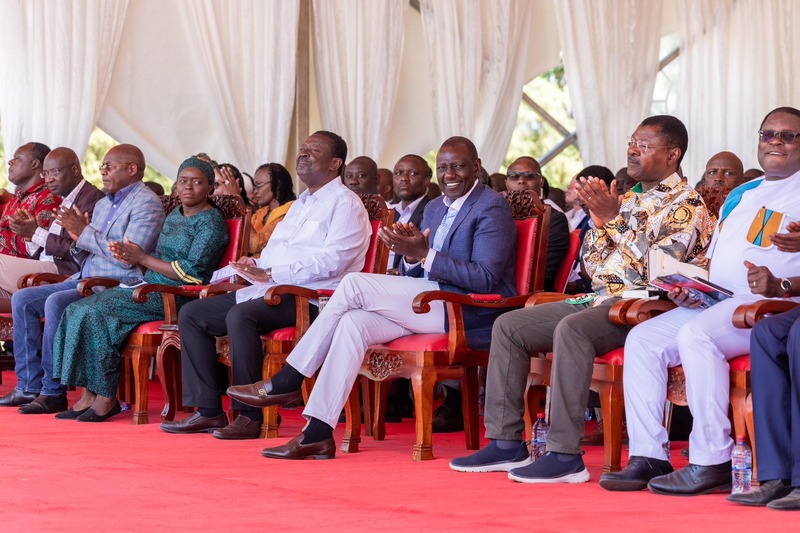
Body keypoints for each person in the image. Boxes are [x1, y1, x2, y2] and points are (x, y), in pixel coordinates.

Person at [449, 115, 714, 483]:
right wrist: (605, 221)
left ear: (673, 154)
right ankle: (506, 443)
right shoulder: (629, 198)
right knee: (509, 325)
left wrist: (613, 221)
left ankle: (563, 454)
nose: (632, 150)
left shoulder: (688, 205)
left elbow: (660, 270)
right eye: (631, 141)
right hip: (601, 297)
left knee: (573, 329)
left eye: (644, 145)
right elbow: (593, 266)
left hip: (644, 308)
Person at [226, 136, 517, 459]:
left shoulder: (491, 206)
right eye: (443, 167)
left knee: (352, 284)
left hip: (466, 311)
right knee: (353, 323)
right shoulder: (435, 209)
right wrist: (410, 257)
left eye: (458, 167)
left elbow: (486, 279)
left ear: (476, 167)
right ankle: (317, 433)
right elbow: (419, 271)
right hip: (428, 304)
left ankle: (290, 377)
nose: (449, 174)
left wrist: (426, 255)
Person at [601, 107, 800, 496]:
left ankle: (712, 459)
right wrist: (690, 287)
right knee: (643, 340)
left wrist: (779, 283)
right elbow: (718, 259)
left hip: (770, 307)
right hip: (719, 300)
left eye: (788, 136)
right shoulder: (744, 195)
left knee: (697, 336)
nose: (774, 142)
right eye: (767, 134)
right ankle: (648, 455)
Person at [159, 131, 370, 440]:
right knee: (193, 314)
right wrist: (256, 266)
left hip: (311, 300)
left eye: (313, 151)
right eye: (302, 149)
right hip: (270, 289)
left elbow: (333, 262)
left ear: (335, 163)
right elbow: (275, 252)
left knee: (241, 315)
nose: (303, 155)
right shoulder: (301, 204)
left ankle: (249, 416)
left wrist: (273, 273)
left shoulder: (345, 204)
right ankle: (209, 412)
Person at [50, 157, 228, 422]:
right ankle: (87, 394)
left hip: (175, 295)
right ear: (175, 186)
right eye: (183, 181)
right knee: (77, 309)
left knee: (100, 311)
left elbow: (194, 274)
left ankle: (106, 397)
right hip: (148, 287)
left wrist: (141, 258)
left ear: (210, 189)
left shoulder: (210, 222)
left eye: (197, 182)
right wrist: (130, 255)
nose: (188, 187)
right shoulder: (174, 215)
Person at [0, 144, 165, 413]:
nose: (102, 172)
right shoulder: (102, 204)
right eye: (102, 167)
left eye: (109, 167)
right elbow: (83, 250)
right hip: (83, 275)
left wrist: (83, 233)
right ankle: (29, 385)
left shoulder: (147, 203)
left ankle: (53, 392)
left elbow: (130, 256)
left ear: (132, 169)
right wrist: (77, 238)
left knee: (55, 301)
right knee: (23, 299)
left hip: (115, 282)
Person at [0, 148, 105, 299]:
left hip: (65, 271)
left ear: (75, 170)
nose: (49, 179)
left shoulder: (92, 198)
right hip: (43, 265)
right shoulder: (64, 200)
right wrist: (29, 236)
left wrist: (35, 232)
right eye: (46, 174)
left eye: (54, 172)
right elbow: (43, 252)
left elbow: (79, 250)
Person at [504, 156, 570, 291]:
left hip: (532, 295)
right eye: (514, 176)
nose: (521, 181)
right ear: (506, 183)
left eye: (529, 176)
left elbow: (544, 273)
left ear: (541, 181)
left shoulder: (554, 219)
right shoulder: (497, 215)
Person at [0, 143, 61, 259]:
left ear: (34, 163)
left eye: (17, 158)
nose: (10, 162)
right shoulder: (13, 202)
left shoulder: (50, 199)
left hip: (29, 270)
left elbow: (39, 247)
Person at [388, 154, 431, 270]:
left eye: (413, 174)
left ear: (427, 180)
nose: (404, 178)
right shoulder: (388, 212)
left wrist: (401, 270)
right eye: (398, 173)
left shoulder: (433, 211)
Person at [248, 162, 296, 257]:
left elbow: (255, 246)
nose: (255, 191)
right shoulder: (261, 213)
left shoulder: (290, 212)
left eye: (259, 185)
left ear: (278, 185)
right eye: (254, 186)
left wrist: (243, 213)